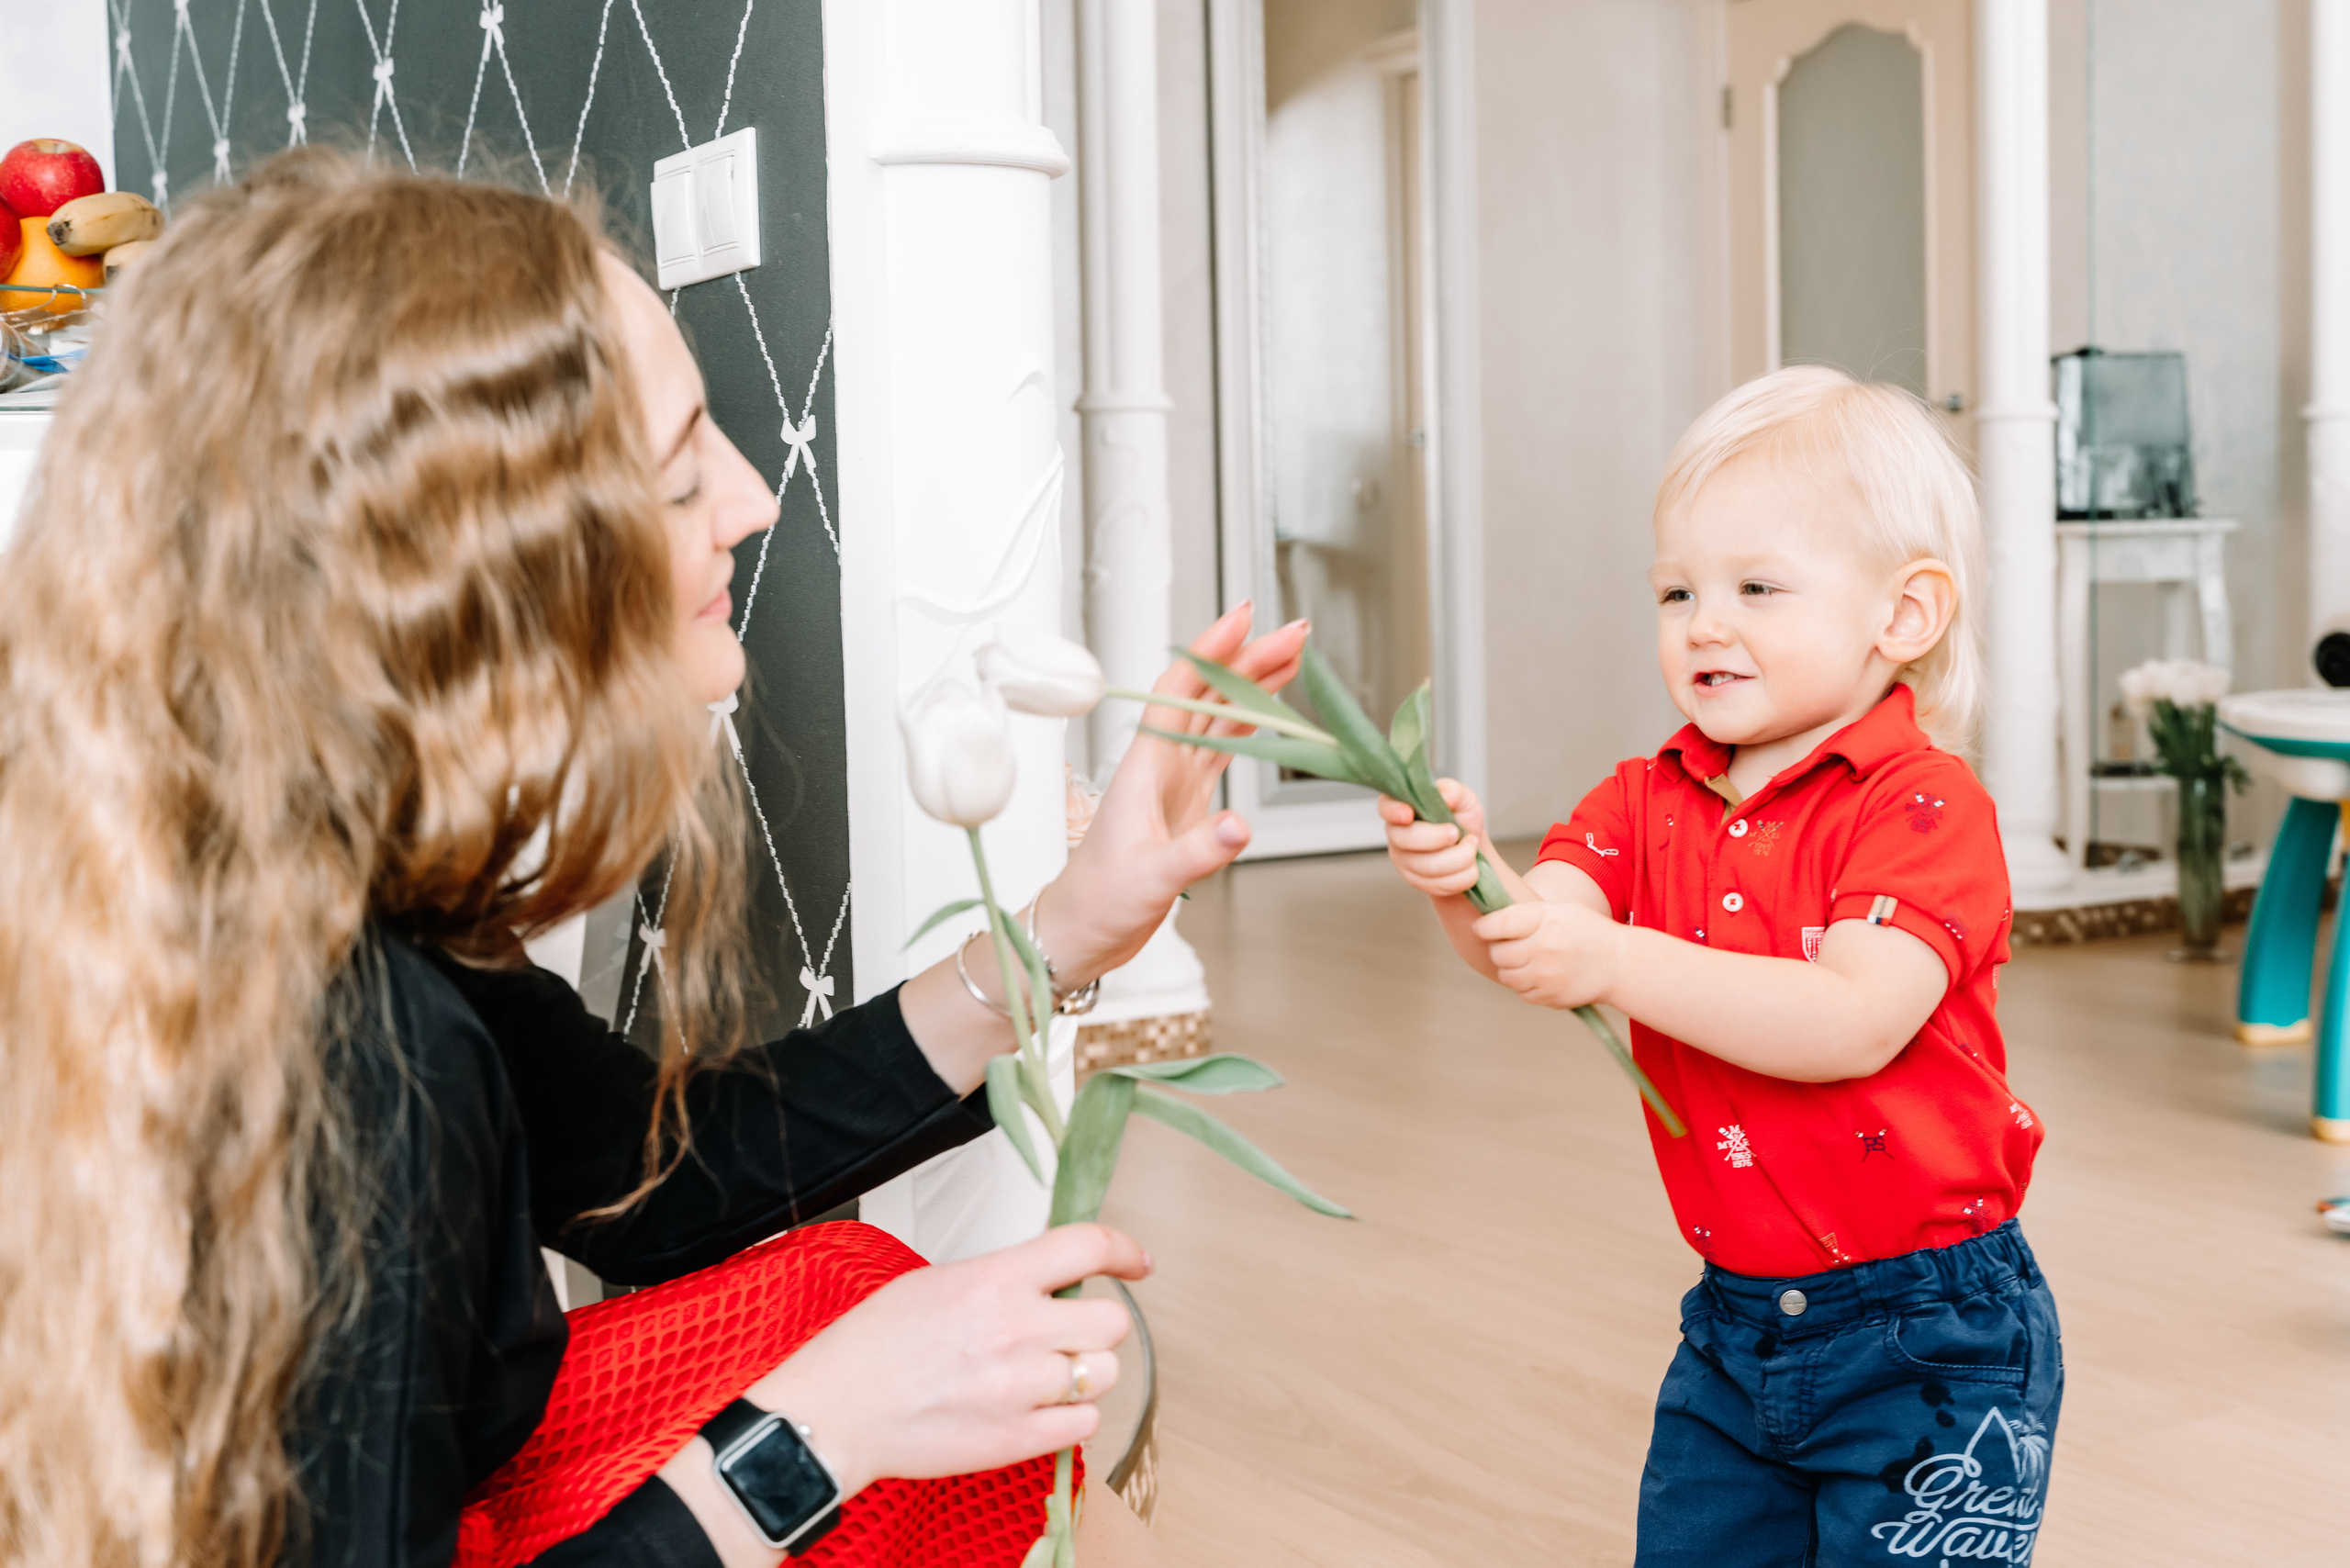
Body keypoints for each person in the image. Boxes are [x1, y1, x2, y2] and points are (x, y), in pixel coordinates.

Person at [0, 152, 1306, 1568]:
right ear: (481, 567)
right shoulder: (367, 1056)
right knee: (865, 1384)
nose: (749, 501)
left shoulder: (276, 858)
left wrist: (1062, 931)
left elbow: (657, 1177)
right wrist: (819, 1435)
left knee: (850, 1288)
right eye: (682, 473)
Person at [1382, 368, 2061, 1565]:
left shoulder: (1922, 807)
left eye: (1756, 587)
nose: (1705, 622)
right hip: (1735, 1323)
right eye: (1677, 590)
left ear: (1903, 615)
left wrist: (1612, 954)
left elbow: (1854, 1018)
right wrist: (1464, 875)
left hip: (1931, 1329)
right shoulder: (1647, 796)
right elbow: (1535, 935)